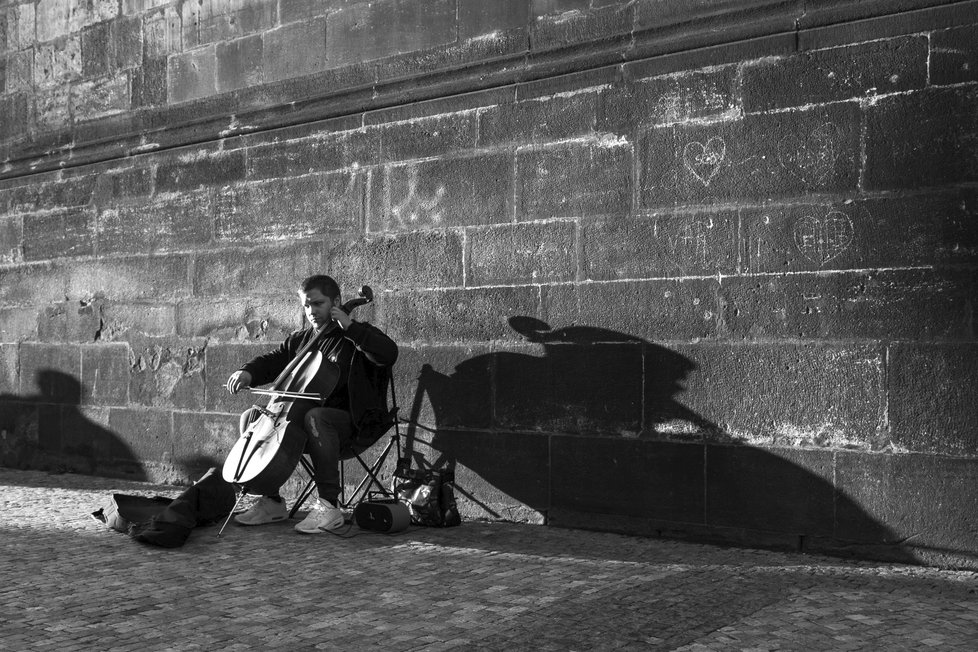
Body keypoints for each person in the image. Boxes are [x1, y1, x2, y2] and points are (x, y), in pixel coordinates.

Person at [225, 275, 398, 534]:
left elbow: (388, 353)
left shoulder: (356, 334)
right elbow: (274, 360)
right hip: (310, 428)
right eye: (306, 306)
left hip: (354, 424)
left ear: (336, 302)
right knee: (252, 417)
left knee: (317, 416)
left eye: (318, 304)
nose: (311, 312)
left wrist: (350, 327)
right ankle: (271, 501)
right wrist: (247, 372)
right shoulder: (302, 340)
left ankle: (329, 505)